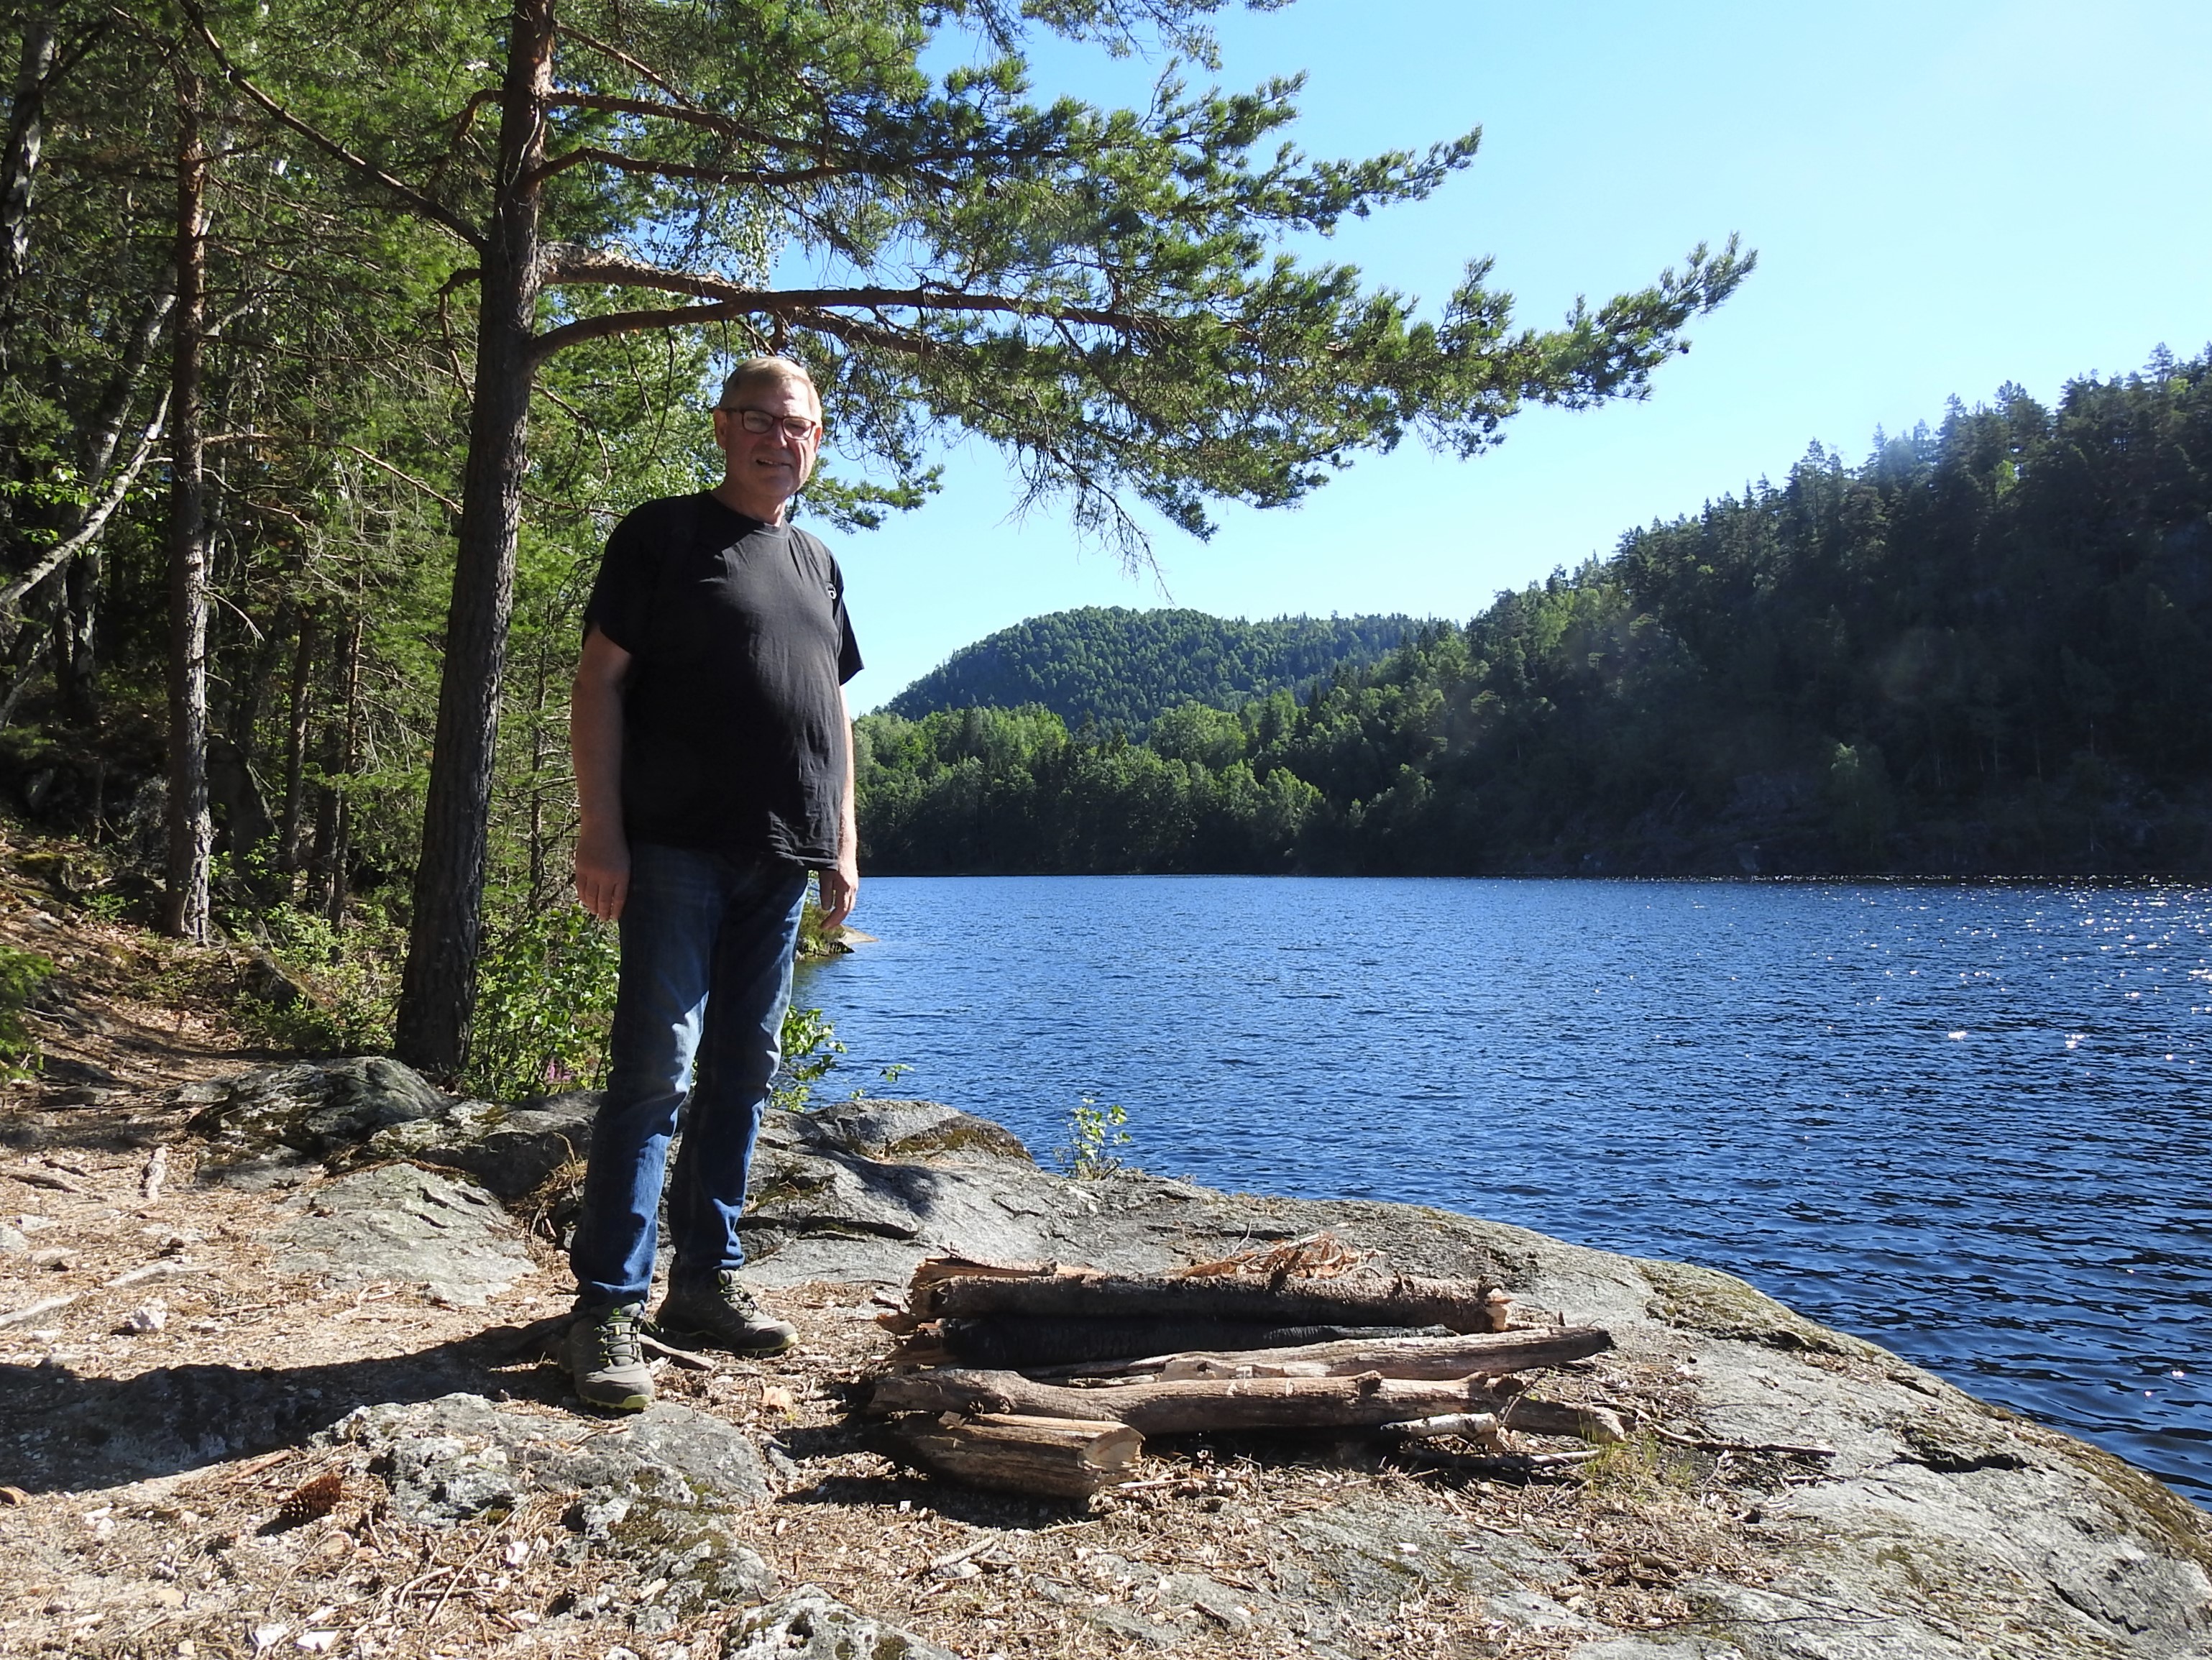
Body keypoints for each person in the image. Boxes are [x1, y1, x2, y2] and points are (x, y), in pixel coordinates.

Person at [563, 355, 861, 1411]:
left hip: (781, 856)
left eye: (801, 426)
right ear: (725, 427)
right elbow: (598, 681)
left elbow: (831, 707)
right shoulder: (663, 534)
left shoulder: (818, 561)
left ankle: (704, 1282)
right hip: (676, 848)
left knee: (745, 1070)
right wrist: (603, 827)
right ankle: (607, 1306)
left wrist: (842, 839)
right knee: (658, 1069)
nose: (783, 440)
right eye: (762, 420)